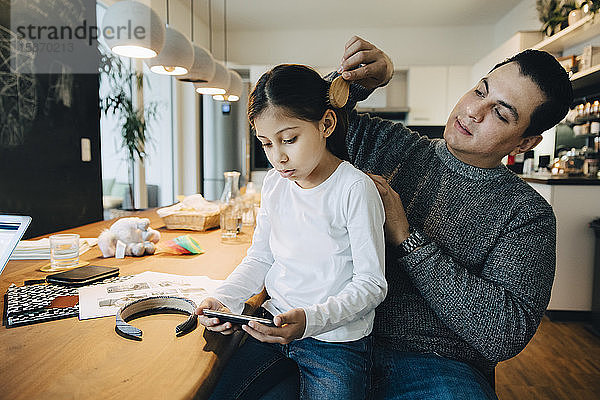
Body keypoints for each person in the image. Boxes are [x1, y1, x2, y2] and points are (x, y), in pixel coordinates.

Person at [332, 36, 573, 399]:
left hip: (434, 362)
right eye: (480, 92)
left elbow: (504, 333)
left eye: (500, 113)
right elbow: (291, 119)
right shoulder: (385, 142)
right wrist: (355, 83)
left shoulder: (528, 215)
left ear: (525, 143)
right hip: (332, 335)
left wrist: (408, 240)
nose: (474, 112)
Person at [196, 64, 388, 400]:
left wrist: (309, 321)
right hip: (271, 328)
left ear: (326, 124)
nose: (278, 158)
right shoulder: (273, 184)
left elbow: (372, 285)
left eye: (289, 139)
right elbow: (260, 257)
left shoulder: (354, 188)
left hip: (335, 344)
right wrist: (225, 298)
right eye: (266, 144)